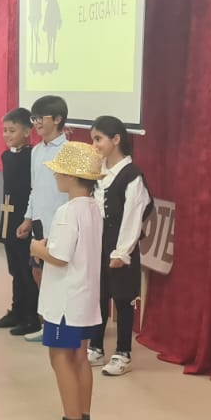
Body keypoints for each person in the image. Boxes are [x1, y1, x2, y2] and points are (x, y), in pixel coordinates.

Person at [29, 141, 104, 420]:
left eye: (59, 171)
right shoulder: (93, 208)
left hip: (64, 301)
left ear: (72, 176)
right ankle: (83, 419)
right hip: (85, 298)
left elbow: (59, 257)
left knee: (60, 356)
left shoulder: (67, 210)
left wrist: (37, 248)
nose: (56, 176)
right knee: (80, 357)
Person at [88, 116, 151, 376]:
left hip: (120, 244)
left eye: (98, 139)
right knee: (99, 296)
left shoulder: (131, 175)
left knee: (123, 299)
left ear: (116, 139)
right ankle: (95, 347)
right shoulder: (99, 171)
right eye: (93, 139)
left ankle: (123, 352)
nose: (94, 145)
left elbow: (133, 216)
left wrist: (122, 251)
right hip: (99, 243)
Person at [19, 95, 70, 337]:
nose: (36, 122)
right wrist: (28, 218)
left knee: (58, 276)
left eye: (41, 117)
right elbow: (35, 187)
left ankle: (62, 325)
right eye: (34, 118)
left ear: (58, 119)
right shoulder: (37, 151)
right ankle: (46, 323)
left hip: (61, 224)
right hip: (39, 223)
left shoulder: (69, 151)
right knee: (38, 272)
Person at [0, 108, 40, 337]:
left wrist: (28, 219)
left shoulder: (32, 157)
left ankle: (31, 316)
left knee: (26, 269)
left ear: (27, 132)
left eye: (12, 130)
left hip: (24, 218)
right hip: (8, 217)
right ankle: (17, 310)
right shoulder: (6, 156)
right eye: (5, 130)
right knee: (14, 268)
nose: (7, 135)